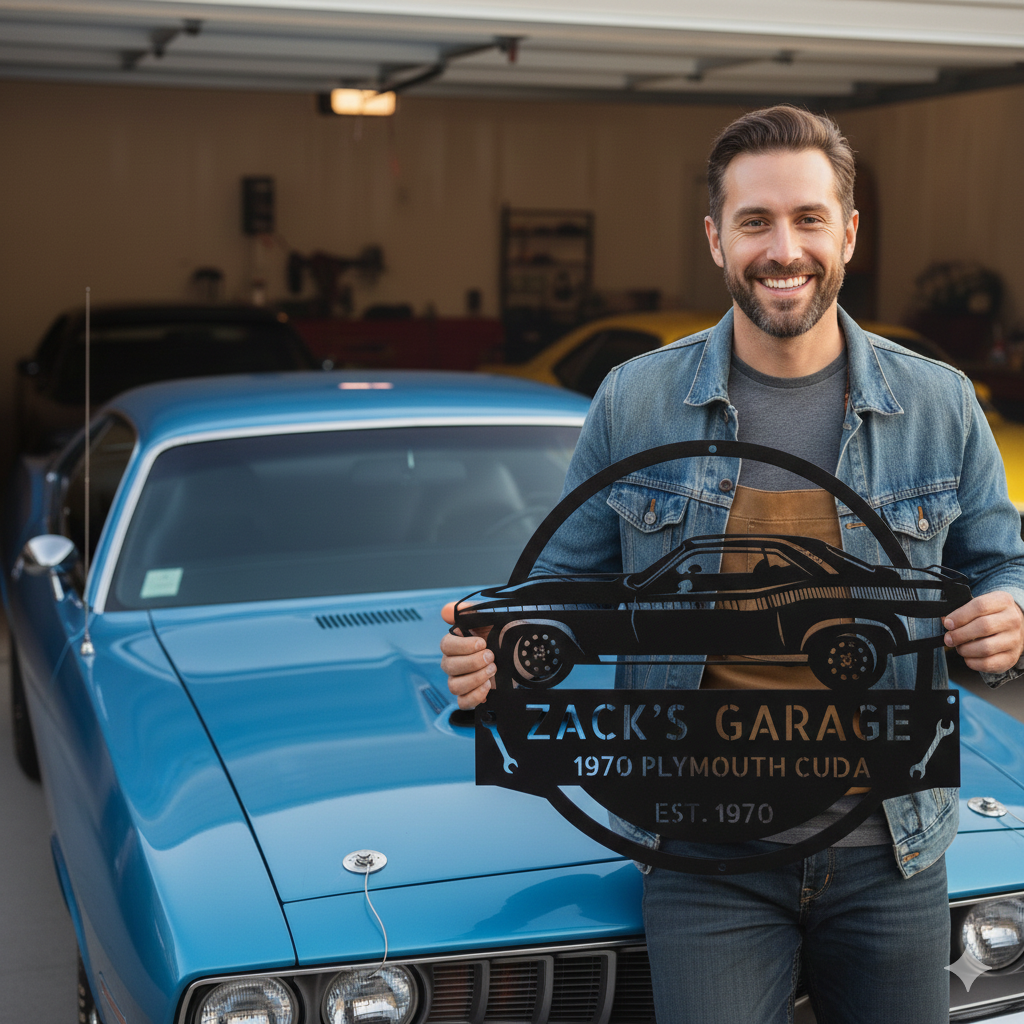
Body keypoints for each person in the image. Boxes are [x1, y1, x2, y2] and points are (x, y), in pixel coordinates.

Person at [440, 105, 1024, 1024]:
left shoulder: (940, 406)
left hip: (891, 849)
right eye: (755, 222)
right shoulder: (638, 403)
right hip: (704, 856)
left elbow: (1002, 567)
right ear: (716, 239)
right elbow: (554, 594)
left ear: (849, 234)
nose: (781, 248)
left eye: (807, 219)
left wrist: (1008, 619)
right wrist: (493, 653)